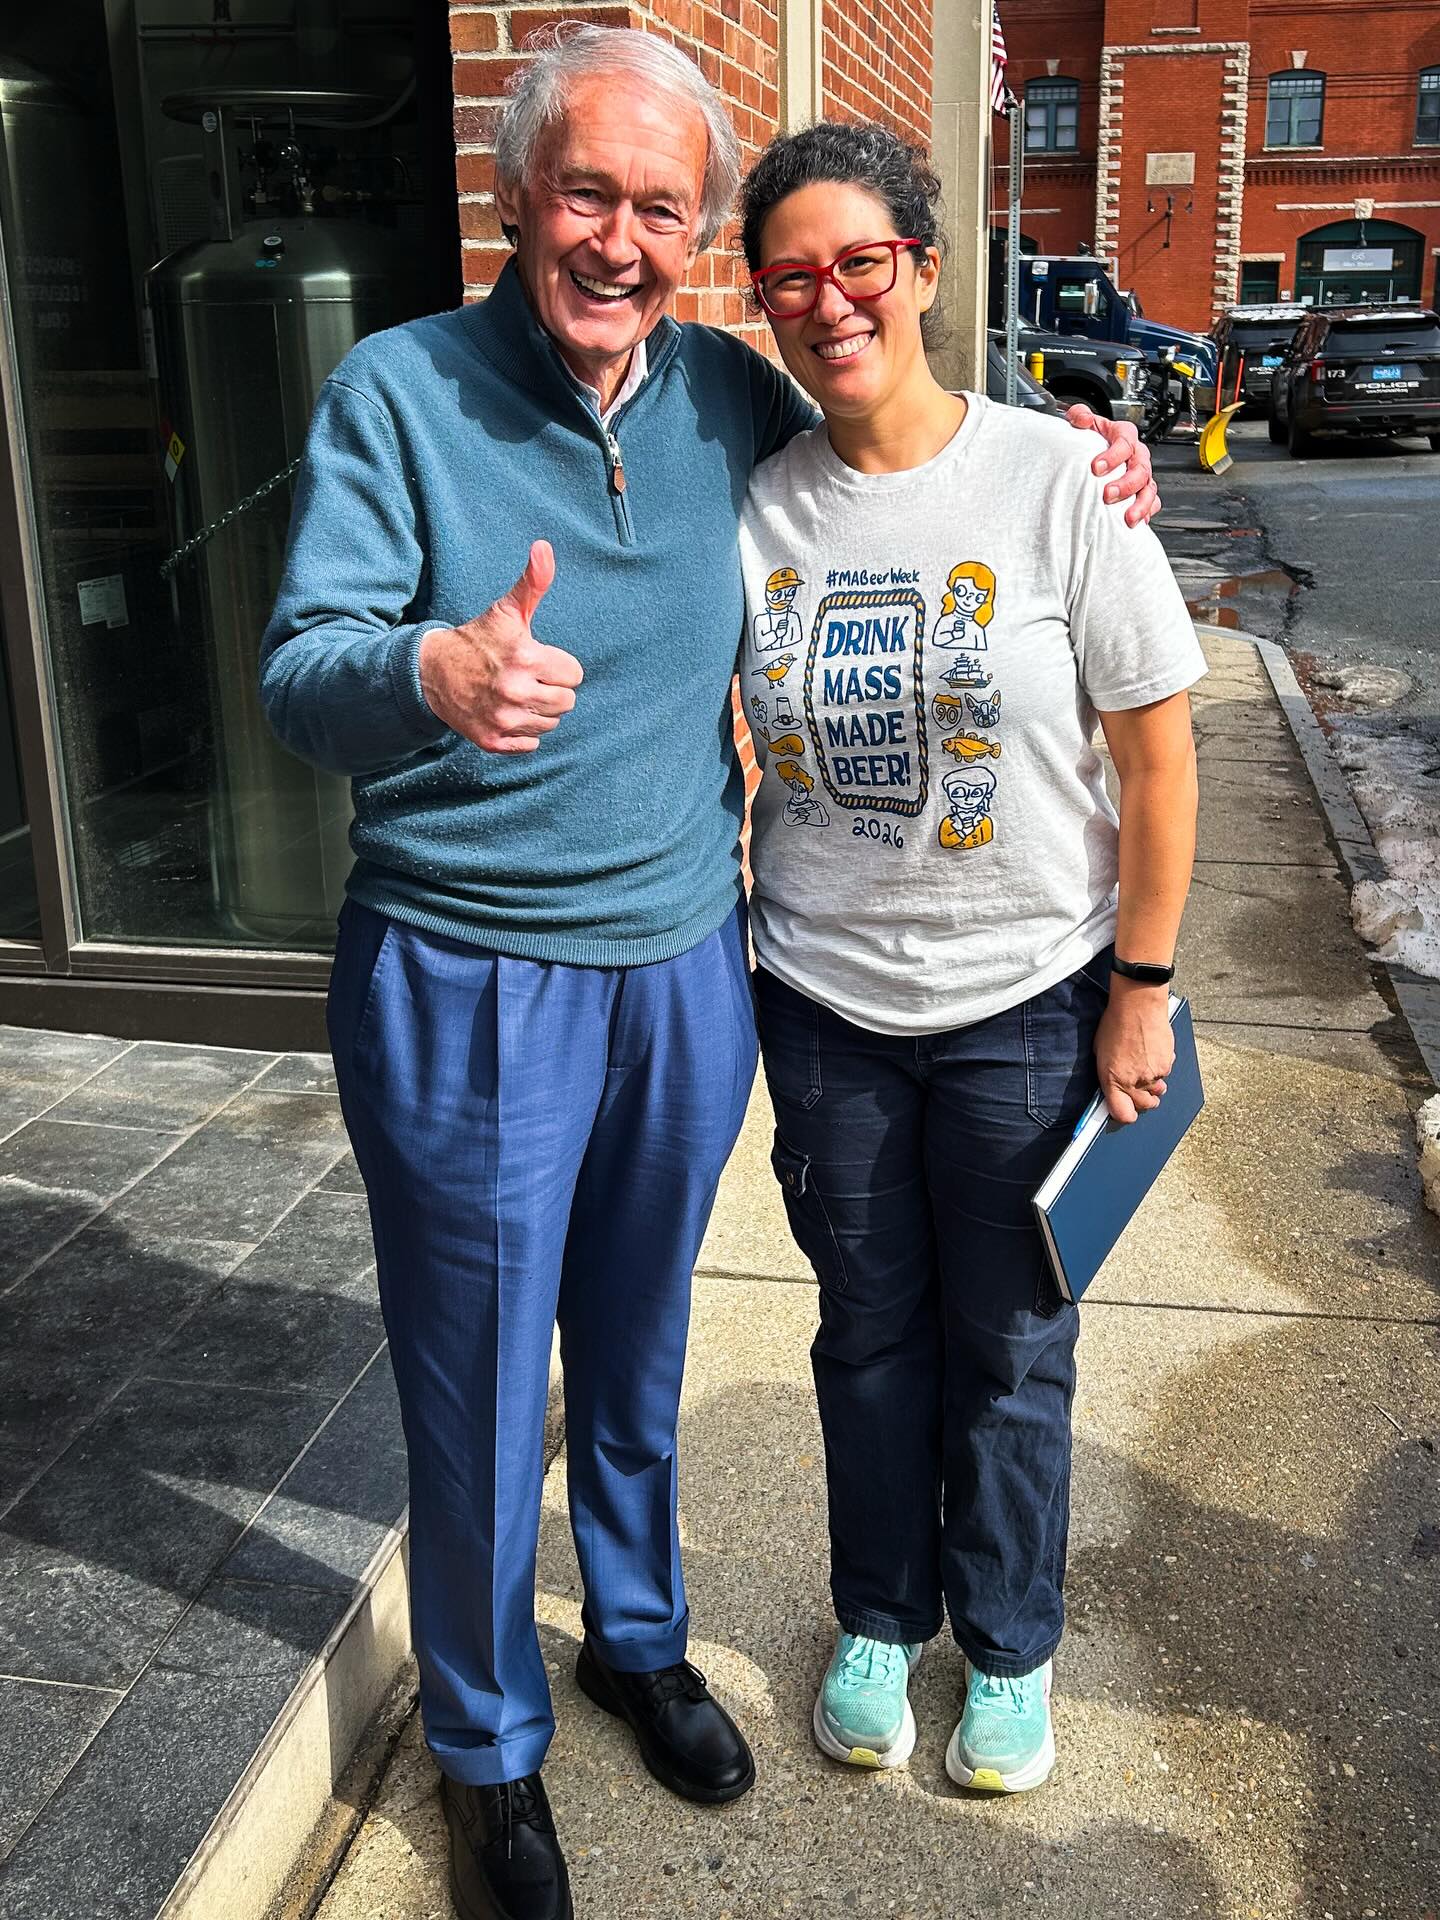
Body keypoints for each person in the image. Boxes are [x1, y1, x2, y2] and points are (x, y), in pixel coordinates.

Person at [259, 28, 1159, 1920]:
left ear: (694, 238)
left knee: (644, 1346)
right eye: (587, 191)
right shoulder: (396, 392)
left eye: (663, 206)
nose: (622, 237)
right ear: (515, 194)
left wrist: (1087, 457)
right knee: (488, 1384)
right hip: (472, 966)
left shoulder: (724, 395)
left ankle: (638, 1638)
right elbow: (297, 669)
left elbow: (895, 445)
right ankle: (488, 1749)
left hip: (684, 963)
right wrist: (424, 672)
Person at [736, 120, 1204, 1796]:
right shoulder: (758, 503)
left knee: (1007, 1347)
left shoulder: (1062, 478)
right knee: (866, 1332)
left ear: (924, 268)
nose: (828, 301)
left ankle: (1009, 1648)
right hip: (825, 1005)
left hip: (1029, 1000)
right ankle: (882, 1616)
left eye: (859, 262)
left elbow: (1158, 754)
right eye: (789, 276)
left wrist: (1139, 990)